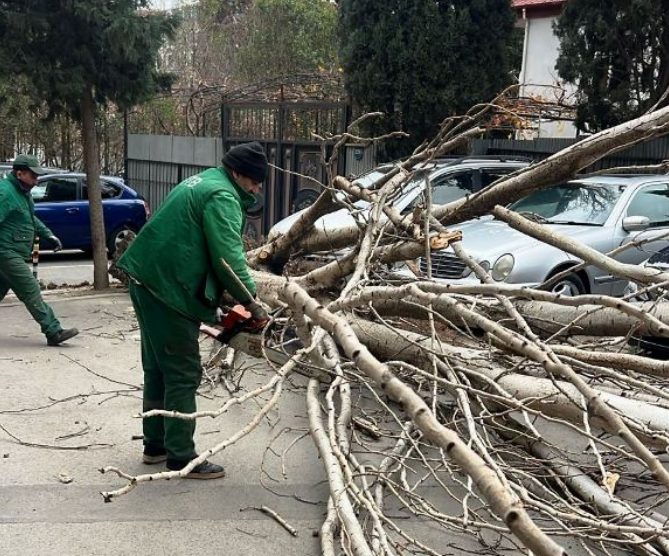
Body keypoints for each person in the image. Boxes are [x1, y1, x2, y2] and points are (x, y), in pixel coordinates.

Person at [117, 141, 270, 480]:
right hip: (168, 288)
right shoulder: (223, 197)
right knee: (183, 372)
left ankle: (155, 445)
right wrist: (252, 301)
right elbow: (228, 259)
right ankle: (181, 456)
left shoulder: (203, 181)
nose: (256, 189)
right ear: (237, 173)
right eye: (254, 181)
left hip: (147, 279)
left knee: (158, 368)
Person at [0, 154, 79, 346]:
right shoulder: (5, 193)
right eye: (33, 176)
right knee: (30, 288)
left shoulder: (21, 193)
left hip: (14, 252)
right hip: (5, 252)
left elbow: (29, 218)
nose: (36, 181)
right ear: (19, 174)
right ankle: (53, 331)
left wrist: (48, 235)